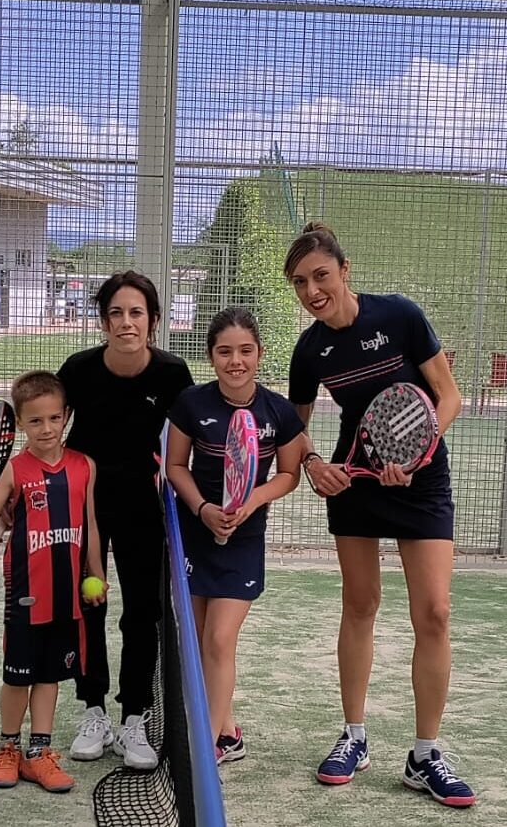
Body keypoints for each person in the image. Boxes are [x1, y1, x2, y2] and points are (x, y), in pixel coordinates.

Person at [285, 223, 476, 808]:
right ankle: (355, 737)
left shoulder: (400, 317)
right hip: (356, 480)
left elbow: (450, 395)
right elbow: (295, 428)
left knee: (435, 613)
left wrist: (418, 445)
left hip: (420, 480)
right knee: (361, 602)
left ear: (345, 270)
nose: (313, 290)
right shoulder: (310, 349)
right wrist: (315, 463)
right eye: (299, 282)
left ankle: (425, 754)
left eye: (321, 275)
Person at [56, 270, 194, 770]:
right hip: (86, 510)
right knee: (88, 604)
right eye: (116, 312)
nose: (126, 322)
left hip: (143, 509)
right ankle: (93, 710)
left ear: (153, 322)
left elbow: (188, 444)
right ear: (103, 320)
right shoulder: (78, 369)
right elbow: (48, 430)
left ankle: (134, 716)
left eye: (136, 312)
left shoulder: (173, 374)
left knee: (141, 614)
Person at [166, 306, 303, 764]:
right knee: (202, 638)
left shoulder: (278, 411)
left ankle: (204, 749)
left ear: (260, 354)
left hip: (243, 539)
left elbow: (288, 473)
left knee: (221, 639)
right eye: (225, 352)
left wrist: (253, 500)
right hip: (196, 531)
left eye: (245, 350)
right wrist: (203, 509)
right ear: (211, 357)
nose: (235, 361)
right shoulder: (192, 403)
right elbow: (175, 466)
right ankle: (226, 730)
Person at [0, 370, 108, 792]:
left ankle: (39, 754)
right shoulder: (14, 469)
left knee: (49, 677)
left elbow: (91, 523)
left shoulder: (85, 466)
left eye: (54, 419)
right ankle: (8, 747)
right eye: (35, 421)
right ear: (20, 425)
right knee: (18, 676)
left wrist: (96, 570)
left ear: (66, 417)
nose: (47, 428)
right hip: (26, 595)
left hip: (68, 597)